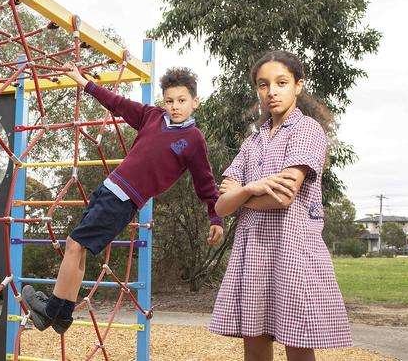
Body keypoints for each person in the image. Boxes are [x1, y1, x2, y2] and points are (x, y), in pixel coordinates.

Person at [22, 63, 224, 334]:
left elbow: (205, 181)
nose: (175, 107)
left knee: (73, 244)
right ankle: (63, 315)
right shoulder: (151, 116)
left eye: (181, 101)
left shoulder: (193, 139)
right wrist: (82, 81)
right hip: (108, 189)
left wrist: (215, 216)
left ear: (195, 102)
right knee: (78, 249)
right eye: (169, 101)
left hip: (123, 200)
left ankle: (51, 312)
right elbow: (116, 102)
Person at [210, 50, 352, 360]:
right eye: (263, 84)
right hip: (253, 254)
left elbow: (283, 195)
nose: (271, 91)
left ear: (298, 85)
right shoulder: (252, 142)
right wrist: (252, 187)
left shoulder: (307, 130)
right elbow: (221, 206)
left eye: (281, 82)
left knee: (298, 346)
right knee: (255, 346)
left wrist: (242, 197)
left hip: (293, 250)